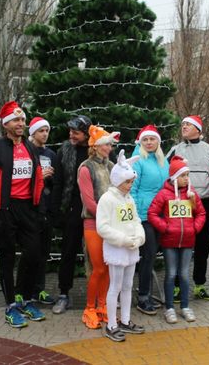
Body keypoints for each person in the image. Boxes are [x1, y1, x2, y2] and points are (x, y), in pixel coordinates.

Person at [0, 101, 45, 328]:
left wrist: (39, 207)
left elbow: (38, 177)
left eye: (22, 120)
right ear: (6, 124)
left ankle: (25, 299)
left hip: (27, 208)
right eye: (16, 120)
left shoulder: (29, 146)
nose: (20, 124)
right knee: (7, 259)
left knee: (33, 254)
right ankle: (10, 306)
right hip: (5, 209)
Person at [166, 115, 209, 301]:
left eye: (188, 125)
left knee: (203, 246)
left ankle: (200, 285)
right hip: (181, 202)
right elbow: (164, 172)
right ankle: (176, 287)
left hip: (204, 203)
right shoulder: (176, 149)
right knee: (180, 244)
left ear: (198, 129)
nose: (184, 127)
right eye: (182, 124)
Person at [148, 156, 205, 324]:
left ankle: (185, 307)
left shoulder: (191, 194)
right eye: (183, 175)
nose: (186, 178)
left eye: (187, 175)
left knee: (184, 275)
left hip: (187, 241)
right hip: (169, 242)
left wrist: (194, 228)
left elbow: (201, 213)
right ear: (174, 177)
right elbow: (152, 213)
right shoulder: (164, 194)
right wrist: (165, 228)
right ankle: (169, 308)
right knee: (171, 274)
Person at [97, 150, 146, 342]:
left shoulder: (129, 199)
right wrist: (123, 239)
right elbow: (103, 227)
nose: (130, 186)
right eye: (127, 182)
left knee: (128, 285)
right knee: (115, 287)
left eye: (132, 182)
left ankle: (125, 320)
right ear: (117, 180)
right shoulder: (107, 199)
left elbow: (136, 220)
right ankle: (111, 325)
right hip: (117, 249)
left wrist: (139, 237)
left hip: (131, 249)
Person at [78, 125, 119, 329]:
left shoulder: (111, 166)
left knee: (108, 267)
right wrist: (107, 217)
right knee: (98, 268)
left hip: (110, 224)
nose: (109, 148)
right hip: (93, 224)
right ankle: (89, 309)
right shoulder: (86, 168)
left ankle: (102, 306)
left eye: (110, 145)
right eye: (106, 145)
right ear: (95, 146)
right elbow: (89, 201)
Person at [51, 115, 92, 314]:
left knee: (96, 255)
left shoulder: (98, 149)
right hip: (72, 210)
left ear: (86, 134)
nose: (71, 135)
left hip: (94, 211)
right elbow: (58, 183)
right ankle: (63, 294)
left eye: (75, 132)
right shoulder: (64, 151)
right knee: (68, 253)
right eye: (70, 131)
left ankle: (100, 295)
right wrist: (57, 211)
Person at [130, 125, 169, 315]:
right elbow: (132, 189)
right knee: (149, 255)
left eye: (152, 139)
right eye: (145, 139)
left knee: (153, 256)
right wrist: (136, 215)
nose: (149, 142)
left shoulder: (163, 160)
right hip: (144, 215)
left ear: (158, 141)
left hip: (161, 214)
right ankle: (143, 297)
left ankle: (146, 292)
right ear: (140, 142)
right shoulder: (138, 160)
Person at [28, 117, 57, 306]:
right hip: (30, 209)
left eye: (47, 130)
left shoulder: (50, 154)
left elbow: (56, 181)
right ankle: (27, 290)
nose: (45, 134)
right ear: (33, 133)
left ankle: (39, 289)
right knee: (31, 252)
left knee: (43, 252)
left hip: (46, 210)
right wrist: (39, 176)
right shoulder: (26, 151)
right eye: (41, 131)